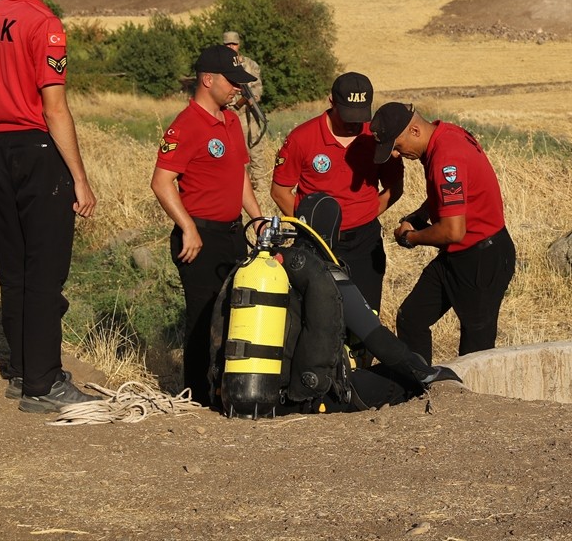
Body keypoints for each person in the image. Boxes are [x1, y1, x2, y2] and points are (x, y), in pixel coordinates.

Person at [0, 0, 100, 413]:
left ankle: (24, 371)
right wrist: (80, 179)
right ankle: (44, 385)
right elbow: (55, 108)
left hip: (1, 149)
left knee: (15, 267)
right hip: (40, 150)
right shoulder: (45, 23)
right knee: (45, 272)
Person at [151, 44, 265, 406]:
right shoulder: (186, 126)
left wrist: (257, 218)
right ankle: (197, 396)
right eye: (232, 82)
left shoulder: (231, 120)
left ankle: (225, 389)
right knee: (203, 318)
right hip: (200, 237)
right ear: (207, 79)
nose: (238, 89)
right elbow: (161, 181)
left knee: (234, 311)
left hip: (233, 233)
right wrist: (187, 227)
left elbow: (240, 176)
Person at [370, 102, 516, 363]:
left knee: (475, 350)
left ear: (414, 131)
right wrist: (419, 216)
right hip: (458, 256)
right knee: (411, 318)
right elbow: (449, 198)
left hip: (482, 258)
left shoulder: (447, 158)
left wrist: (410, 237)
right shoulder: (445, 134)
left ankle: (472, 403)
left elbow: (452, 231)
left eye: (397, 146)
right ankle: (420, 388)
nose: (395, 155)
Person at [270, 72, 404, 312]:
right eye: (348, 115)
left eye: (360, 115)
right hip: (316, 245)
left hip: (365, 244)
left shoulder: (374, 136)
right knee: (318, 315)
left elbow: (395, 186)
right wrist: (312, 228)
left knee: (366, 315)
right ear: (331, 101)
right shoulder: (302, 138)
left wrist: (368, 213)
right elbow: (280, 191)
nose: (354, 123)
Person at [222, 31, 266, 183]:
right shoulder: (219, 66)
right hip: (229, 115)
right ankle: (240, 186)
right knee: (237, 154)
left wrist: (250, 98)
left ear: (239, 44)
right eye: (228, 44)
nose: (231, 47)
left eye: (234, 43)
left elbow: (257, 89)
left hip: (250, 114)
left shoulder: (250, 65)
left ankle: (260, 188)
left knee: (256, 151)